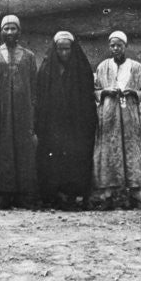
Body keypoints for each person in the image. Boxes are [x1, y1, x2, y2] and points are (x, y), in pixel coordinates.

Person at [35, 31, 98, 210]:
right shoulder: (47, 69)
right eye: (60, 49)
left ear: (73, 49)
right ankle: (54, 194)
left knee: (76, 156)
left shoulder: (82, 68)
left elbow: (88, 99)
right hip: (53, 124)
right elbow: (40, 98)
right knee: (53, 157)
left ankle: (76, 194)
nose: (64, 53)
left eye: (67, 49)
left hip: (76, 124)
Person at [0, 15, 39, 210]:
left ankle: (22, 195)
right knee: (3, 151)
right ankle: (5, 196)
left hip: (22, 113)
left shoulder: (29, 56)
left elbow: (34, 88)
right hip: (0, 113)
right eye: (6, 29)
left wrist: (32, 116)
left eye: (13, 28)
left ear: (19, 32)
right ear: (0, 32)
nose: (9, 32)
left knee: (22, 150)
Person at [93, 31, 141, 210]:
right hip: (109, 117)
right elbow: (95, 90)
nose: (116, 49)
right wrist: (105, 92)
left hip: (129, 117)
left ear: (125, 46)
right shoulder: (103, 67)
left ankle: (134, 196)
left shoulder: (137, 67)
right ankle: (108, 196)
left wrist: (134, 93)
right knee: (109, 152)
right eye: (113, 45)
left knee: (132, 151)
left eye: (119, 45)